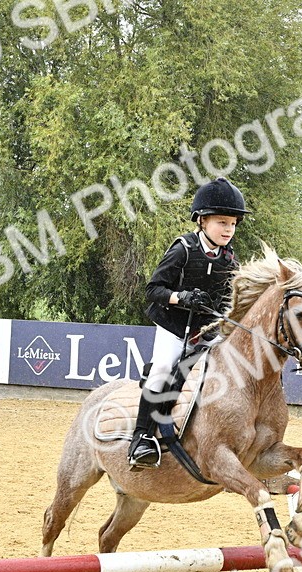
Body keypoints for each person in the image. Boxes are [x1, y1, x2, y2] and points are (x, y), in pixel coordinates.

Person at [127, 177, 249, 469]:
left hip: (205, 329)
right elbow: (153, 290)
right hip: (173, 324)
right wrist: (181, 297)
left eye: (232, 224)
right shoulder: (183, 248)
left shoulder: (229, 259)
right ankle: (141, 439)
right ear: (203, 221)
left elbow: (226, 301)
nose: (228, 230)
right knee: (162, 369)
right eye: (222, 223)